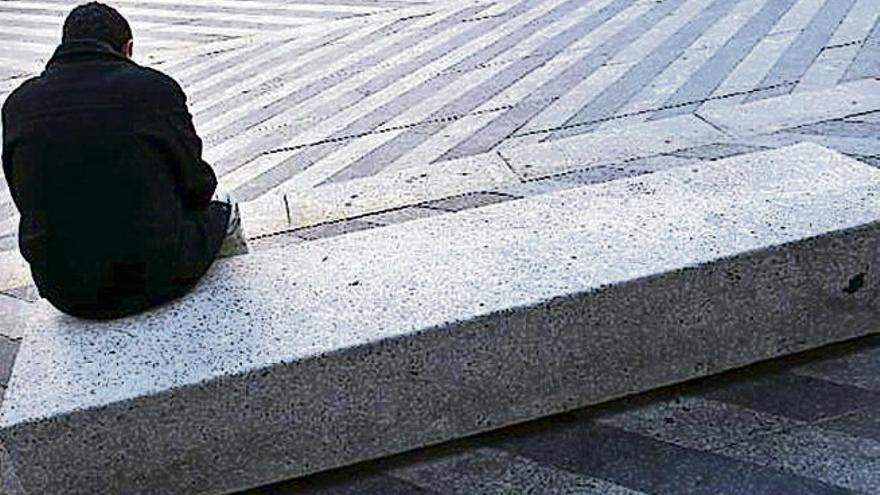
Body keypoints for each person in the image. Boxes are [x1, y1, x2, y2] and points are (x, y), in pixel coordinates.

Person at [1, 2, 246, 320]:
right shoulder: (154, 89)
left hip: (65, 289)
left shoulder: (18, 105)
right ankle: (237, 315)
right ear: (127, 48)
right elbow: (199, 187)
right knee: (226, 207)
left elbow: (26, 200)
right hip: (156, 276)